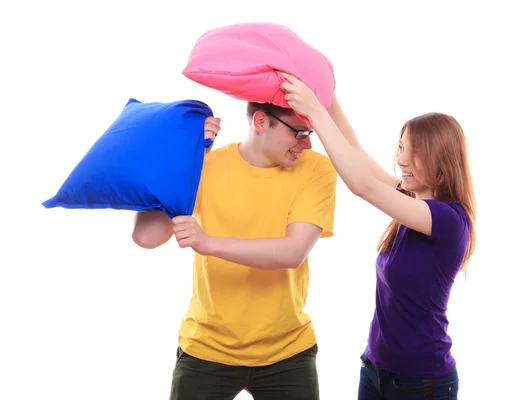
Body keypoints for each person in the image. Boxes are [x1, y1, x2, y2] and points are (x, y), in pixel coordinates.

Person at [278, 71, 476, 399]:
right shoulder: (410, 200)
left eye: (415, 153)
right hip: (374, 369)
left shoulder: (448, 220)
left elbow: (362, 184)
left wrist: (313, 111)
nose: (401, 161)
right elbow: (356, 152)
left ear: (442, 159)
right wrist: (326, 96)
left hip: (421, 383)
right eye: (400, 148)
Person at [132, 102, 337, 400]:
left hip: (288, 350)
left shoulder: (316, 168)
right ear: (261, 121)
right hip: (206, 347)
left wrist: (208, 243)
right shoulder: (206, 166)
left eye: (311, 132)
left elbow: (293, 252)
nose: (307, 143)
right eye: (300, 132)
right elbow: (146, 236)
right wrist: (187, 159)